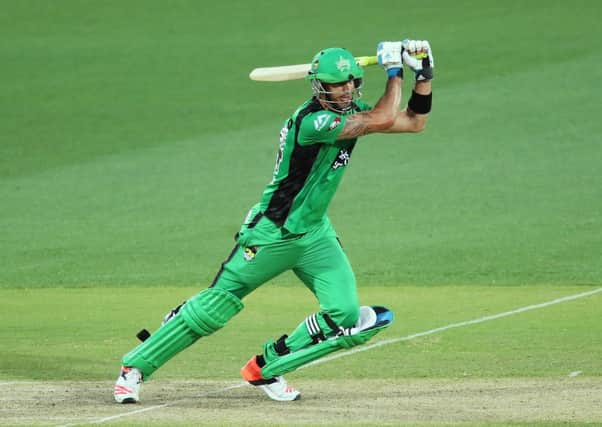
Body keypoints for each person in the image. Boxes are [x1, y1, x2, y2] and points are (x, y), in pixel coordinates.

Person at [113, 39, 434, 403]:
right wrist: (394, 71)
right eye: (336, 84)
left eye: (349, 83)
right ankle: (134, 368)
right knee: (215, 307)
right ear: (319, 86)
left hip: (314, 235)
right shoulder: (313, 121)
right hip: (272, 233)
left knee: (345, 315)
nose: (345, 91)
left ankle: (267, 367)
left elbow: (413, 122)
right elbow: (383, 117)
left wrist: (422, 74)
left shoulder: (351, 111)